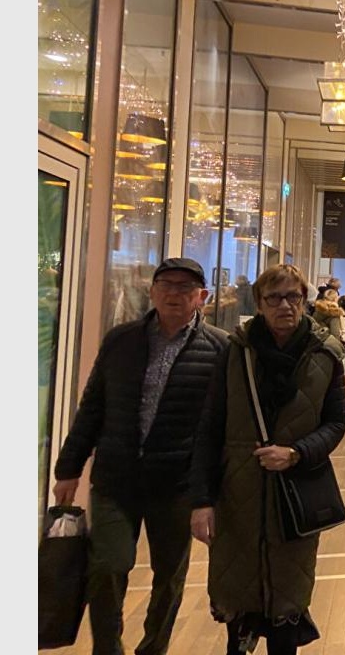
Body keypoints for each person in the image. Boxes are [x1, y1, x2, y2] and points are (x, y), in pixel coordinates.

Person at [52, 257, 227, 655]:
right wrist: (68, 468)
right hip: (116, 478)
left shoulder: (220, 348)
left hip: (176, 484)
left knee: (169, 576)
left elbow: (218, 428)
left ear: (202, 296)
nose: (174, 294)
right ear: (152, 291)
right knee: (107, 566)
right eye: (166, 285)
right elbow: (93, 406)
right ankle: (107, 648)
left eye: (185, 288)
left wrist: (208, 495)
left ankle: (154, 647)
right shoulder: (121, 340)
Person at [189, 263, 345, 655]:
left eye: (293, 296)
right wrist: (202, 500)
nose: (284, 305)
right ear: (259, 304)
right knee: (237, 606)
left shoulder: (325, 353)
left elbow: (336, 421)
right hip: (237, 496)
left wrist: (297, 453)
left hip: (295, 499)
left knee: (287, 609)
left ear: (304, 299)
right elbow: (210, 427)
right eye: (274, 298)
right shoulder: (236, 352)